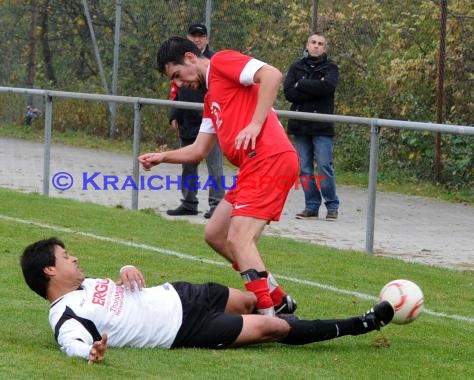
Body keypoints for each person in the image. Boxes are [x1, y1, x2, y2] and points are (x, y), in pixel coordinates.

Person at [20, 237, 395, 364]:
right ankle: (362, 323)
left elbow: (121, 287)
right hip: (186, 328)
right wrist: (90, 354)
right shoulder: (66, 316)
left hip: (183, 293)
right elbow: (72, 344)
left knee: (252, 301)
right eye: (65, 256)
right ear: (49, 272)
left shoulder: (86, 286)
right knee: (273, 327)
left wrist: (128, 266)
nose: (73, 258)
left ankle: (283, 305)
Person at [139, 37, 299, 316]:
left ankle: (267, 315)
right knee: (215, 234)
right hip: (252, 168)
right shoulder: (211, 98)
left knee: (239, 238)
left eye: (177, 75)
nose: (177, 84)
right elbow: (199, 150)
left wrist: (255, 124)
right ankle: (275, 296)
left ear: (190, 58)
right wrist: (162, 157)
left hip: (269, 160)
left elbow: (272, 75)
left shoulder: (223, 62)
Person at [167, 23, 224, 219]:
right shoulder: (180, 64)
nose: (197, 39)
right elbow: (176, 90)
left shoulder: (214, 62)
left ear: (207, 39)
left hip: (210, 122)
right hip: (188, 121)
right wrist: (174, 115)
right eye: (193, 36)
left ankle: (216, 205)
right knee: (187, 165)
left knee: (214, 166)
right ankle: (189, 202)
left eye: (201, 36)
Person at [283, 32, 340, 221]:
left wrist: (303, 84)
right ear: (307, 45)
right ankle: (311, 205)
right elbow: (290, 93)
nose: (316, 46)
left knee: (324, 166)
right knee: (304, 168)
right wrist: (316, 87)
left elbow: (328, 88)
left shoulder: (331, 68)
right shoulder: (296, 67)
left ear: (325, 48)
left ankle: (332, 206)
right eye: (313, 42)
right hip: (300, 126)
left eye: (320, 43)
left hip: (322, 126)